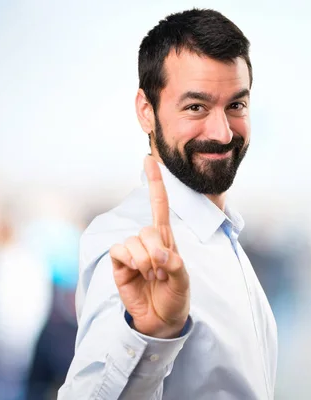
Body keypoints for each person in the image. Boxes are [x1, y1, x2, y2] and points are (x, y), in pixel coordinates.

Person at [59, 8, 277, 399]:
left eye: (236, 106)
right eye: (196, 107)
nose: (223, 132)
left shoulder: (221, 233)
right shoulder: (130, 242)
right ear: (147, 111)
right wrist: (147, 336)